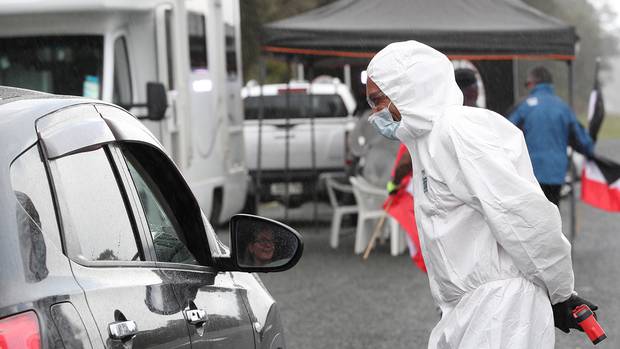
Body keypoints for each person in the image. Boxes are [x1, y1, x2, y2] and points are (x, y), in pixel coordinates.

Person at [366, 40, 598, 348]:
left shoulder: (458, 129)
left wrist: (559, 291)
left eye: (378, 100)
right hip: (472, 308)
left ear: (409, 88)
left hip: (501, 310)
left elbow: (521, 215)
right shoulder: (426, 142)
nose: (375, 113)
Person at [509, 66, 594, 205]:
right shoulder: (563, 108)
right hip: (556, 174)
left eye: (527, 84)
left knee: (532, 219)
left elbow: (505, 133)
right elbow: (583, 143)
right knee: (552, 216)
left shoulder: (524, 107)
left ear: (533, 83)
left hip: (530, 174)